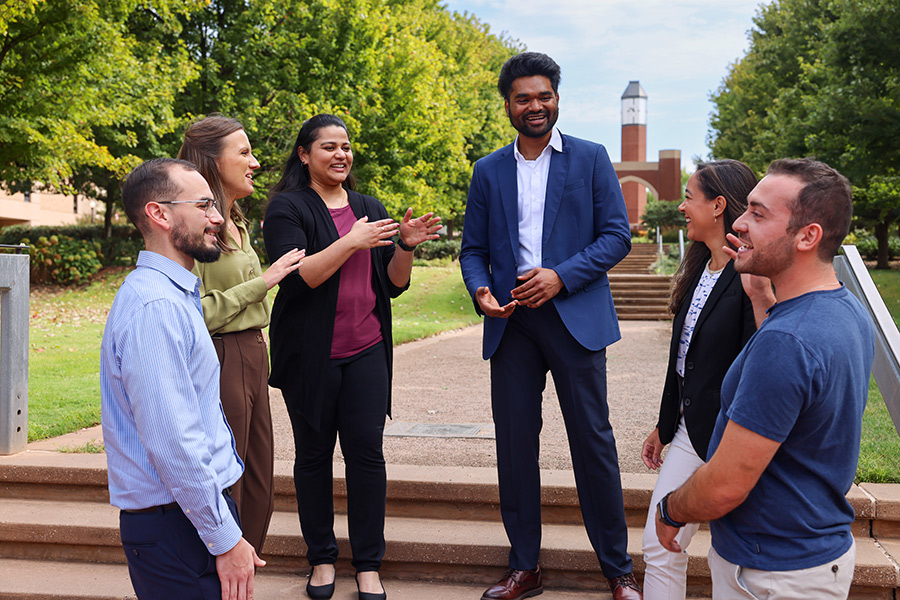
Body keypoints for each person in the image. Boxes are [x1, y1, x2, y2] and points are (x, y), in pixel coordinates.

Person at [459, 52, 640, 600]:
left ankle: (618, 569)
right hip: (512, 325)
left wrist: (561, 276)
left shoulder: (590, 158)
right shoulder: (488, 170)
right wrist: (479, 290)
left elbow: (616, 236)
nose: (534, 106)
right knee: (515, 447)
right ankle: (525, 567)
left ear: (557, 98)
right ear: (508, 105)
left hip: (575, 319)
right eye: (523, 98)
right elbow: (472, 250)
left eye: (544, 96)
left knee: (593, 443)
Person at [656, 158, 875, 599]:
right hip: (811, 552)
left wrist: (671, 508)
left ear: (807, 236)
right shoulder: (845, 310)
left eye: (758, 214)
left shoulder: (787, 341)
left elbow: (723, 486)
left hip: (769, 573)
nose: (739, 222)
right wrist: (761, 299)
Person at [263, 114, 441, 600]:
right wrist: (351, 241)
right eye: (328, 147)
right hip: (310, 357)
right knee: (314, 457)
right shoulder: (287, 208)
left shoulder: (367, 206)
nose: (341, 154)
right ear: (305, 155)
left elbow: (394, 284)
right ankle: (321, 560)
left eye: (346, 146)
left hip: (366, 352)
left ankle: (367, 565)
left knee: (367, 457)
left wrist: (404, 245)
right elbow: (300, 278)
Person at [101, 158, 264, 599]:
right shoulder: (157, 308)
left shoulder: (174, 296)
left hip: (187, 514)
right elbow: (174, 442)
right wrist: (223, 537)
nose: (218, 218)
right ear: (160, 214)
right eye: (205, 205)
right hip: (175, 523)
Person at [639, 160, 774, 599]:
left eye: (689, 198)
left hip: (733, 436)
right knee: (659, 545)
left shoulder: (752, 275)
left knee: (731, 561)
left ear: (718, 206)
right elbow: (684, 360)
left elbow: (762, 359)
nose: (681, 207)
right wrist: (665, 422)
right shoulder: (698, 268)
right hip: (687, 432)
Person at [177, 115, 304, 555]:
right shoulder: (194, 229)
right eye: (244, 152)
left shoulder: (238, 222)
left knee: (259, 482)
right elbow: (192, 314)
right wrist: (262, 283)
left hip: (253, 355)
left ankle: (243, 572)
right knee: (227, 478)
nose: (255, 161)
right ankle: (219, 569)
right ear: (213, 162)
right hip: (221, 356)